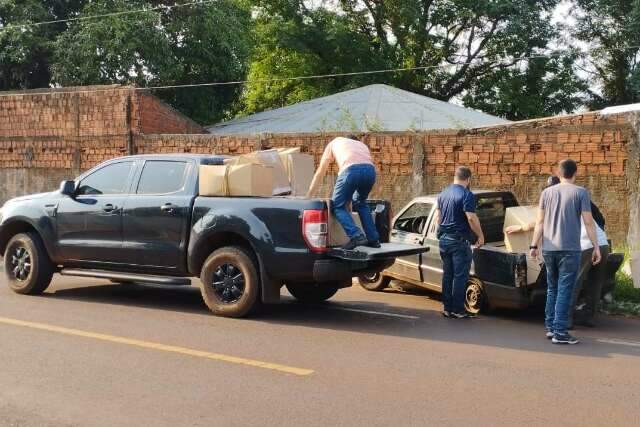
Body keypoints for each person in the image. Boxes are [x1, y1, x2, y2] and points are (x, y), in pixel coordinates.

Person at [530, 159, 601, 345]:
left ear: (559, 173)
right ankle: (560, 332)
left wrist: (533, 245)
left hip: (549, 248)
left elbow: (539, 222)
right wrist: (595, 247)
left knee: (552, 288)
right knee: (565, 290)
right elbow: (588, 222)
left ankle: (551, 327)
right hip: (570, 249)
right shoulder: (581, 192)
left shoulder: (546, 193)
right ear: (575, 173)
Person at [307, 135, 380, 250]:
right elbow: (361, 168)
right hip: (371, 171)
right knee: (361, 203)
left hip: (350, 171)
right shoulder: (361, 145)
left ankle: (357, 236)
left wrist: (309, 196)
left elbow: (320, 172)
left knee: (337, 206)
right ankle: (373, 239)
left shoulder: (334, 143)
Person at [435, 166, 485, 319]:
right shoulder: (466, 194)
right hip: (459, 241)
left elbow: (438, 217)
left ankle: (447, 308)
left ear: (454, 177)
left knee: (447, 275)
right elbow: (471, 217)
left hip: (444, 240)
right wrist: (480, 235)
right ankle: (458, 310)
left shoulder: (443, 193)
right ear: (468, 179)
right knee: (460, 276)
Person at [572, 216, 610, 327]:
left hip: (587, 245)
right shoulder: (584, 203)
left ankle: (566, 319)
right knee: (595, 283)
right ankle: (588, 317)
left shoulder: (566, 205)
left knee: (574, 282)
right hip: (603, 244)